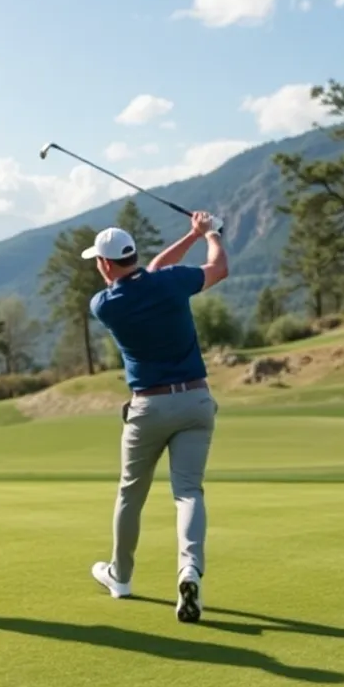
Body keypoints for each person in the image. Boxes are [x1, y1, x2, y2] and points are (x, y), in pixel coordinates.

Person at [84, 210, 228, 623]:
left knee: (131, 493)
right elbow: (218, 268)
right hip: (196, 402)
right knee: (188, 492)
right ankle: (189, 569)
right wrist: (209, 235)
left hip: (148, 407)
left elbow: (148, 273)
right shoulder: (170, 283)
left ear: (106, 264)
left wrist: (192, 234)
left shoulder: (105, 304)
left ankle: (121, 577)